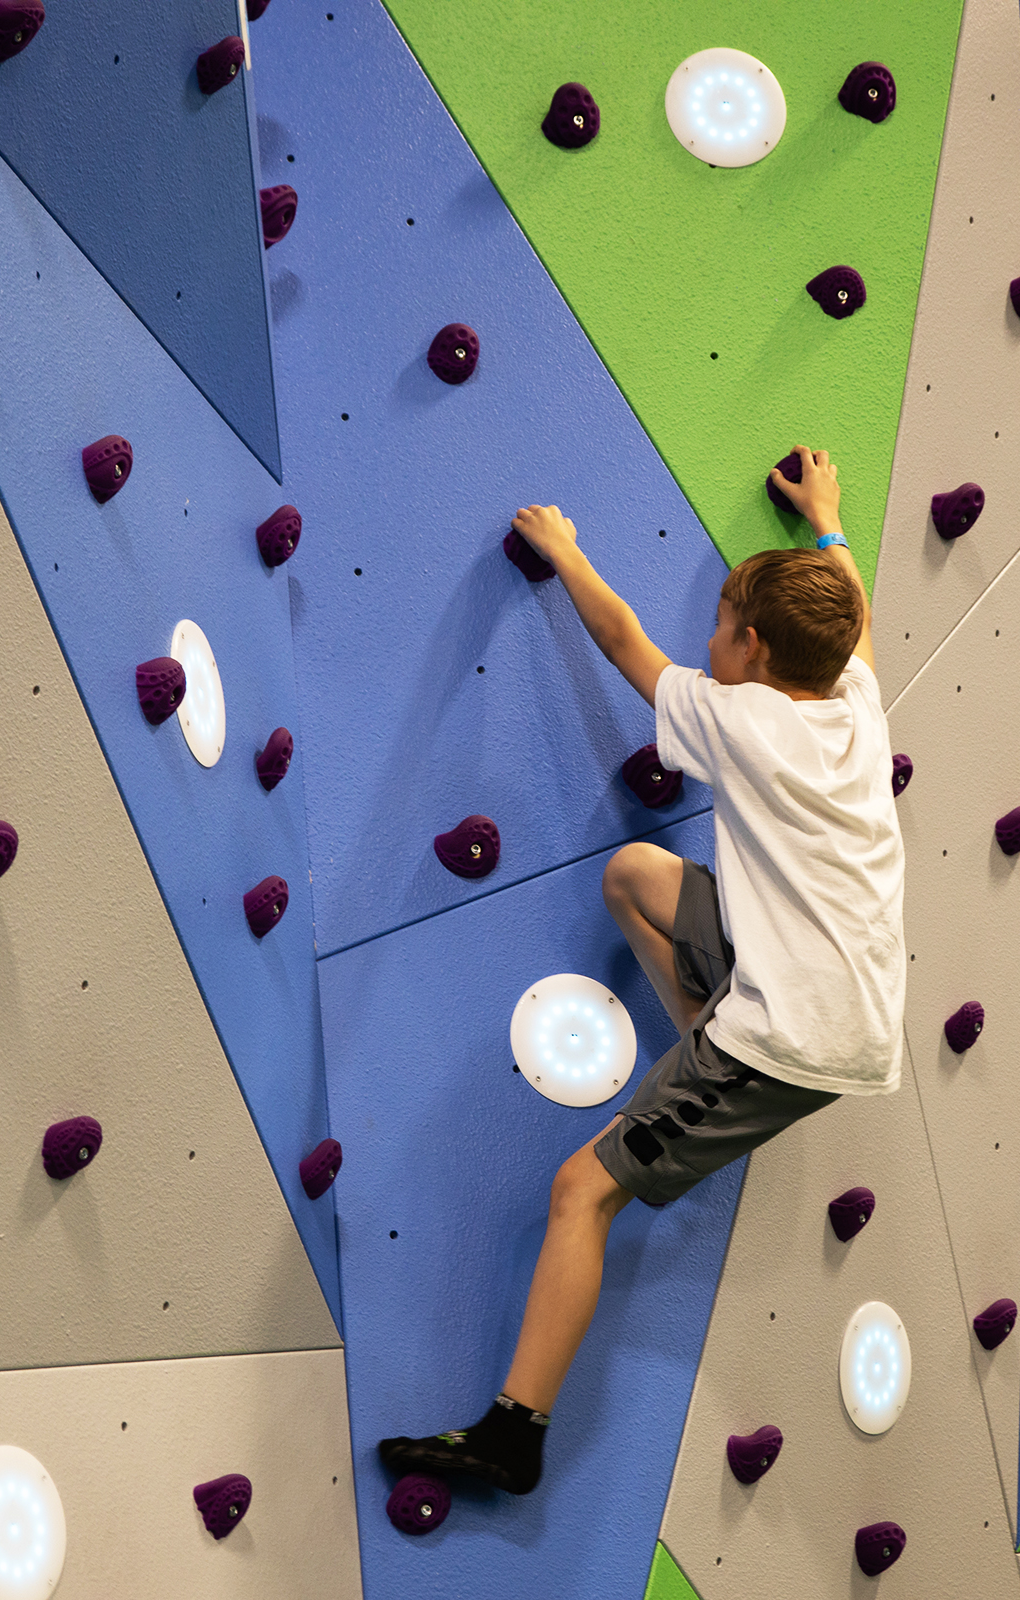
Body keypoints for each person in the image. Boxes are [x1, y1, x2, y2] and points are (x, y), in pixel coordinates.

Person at [378, 446, 907, 1496]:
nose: (708, 638)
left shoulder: (740, 714)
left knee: (582, 1191)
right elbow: (857, 619)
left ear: (754, 650)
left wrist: (564, 550)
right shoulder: (854, 702)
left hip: (791, 1036)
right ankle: (706, 1038)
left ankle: (514, 1431)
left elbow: (624, 641)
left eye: (721, 622)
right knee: (636, 877)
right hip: (838, 990)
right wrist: (828, 521)